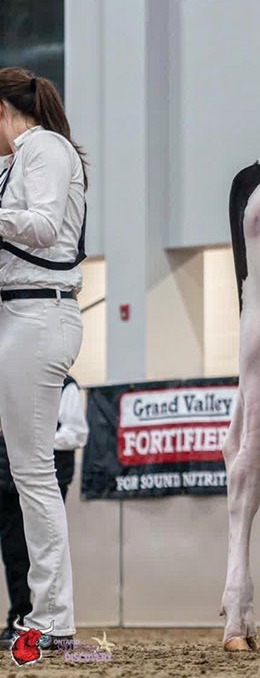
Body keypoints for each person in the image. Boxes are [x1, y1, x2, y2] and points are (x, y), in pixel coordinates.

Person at [0, 68, 87, 646]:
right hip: (18, 314)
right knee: (27, 473)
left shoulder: (44, 147)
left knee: (32, 475)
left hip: (38, 314)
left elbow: (45, 224)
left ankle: (52, 619)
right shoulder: (16, 162)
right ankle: (46, 614)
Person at [0, 375, 88, 647]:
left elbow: (76, 433)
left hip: (48, 475)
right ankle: (19, 618)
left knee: (44, 544)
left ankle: (51, 621)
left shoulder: (64, 385)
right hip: (7, 478)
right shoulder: (9, 383)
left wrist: (30, 442)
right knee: (14, 551)